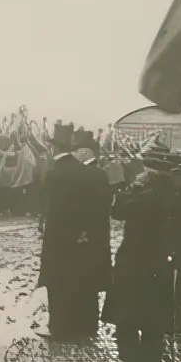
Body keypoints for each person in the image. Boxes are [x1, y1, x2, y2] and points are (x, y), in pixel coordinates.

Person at [105, 145, 181, 362]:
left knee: (127, 314)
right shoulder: (174, 193)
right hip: (160, 262)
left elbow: (118, 212)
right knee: (154, 316)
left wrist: (127, 188)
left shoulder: (146, 196)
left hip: (135, 261)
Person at [37, 122, 111, 341]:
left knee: (58, 283)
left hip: (60, 238)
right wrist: (83, 232)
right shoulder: (85, 172)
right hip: (82, 238)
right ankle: (84, 327)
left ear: (54, 149)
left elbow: (57, 211)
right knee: (79, 281)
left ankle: (59, 329)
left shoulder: (56, 174)